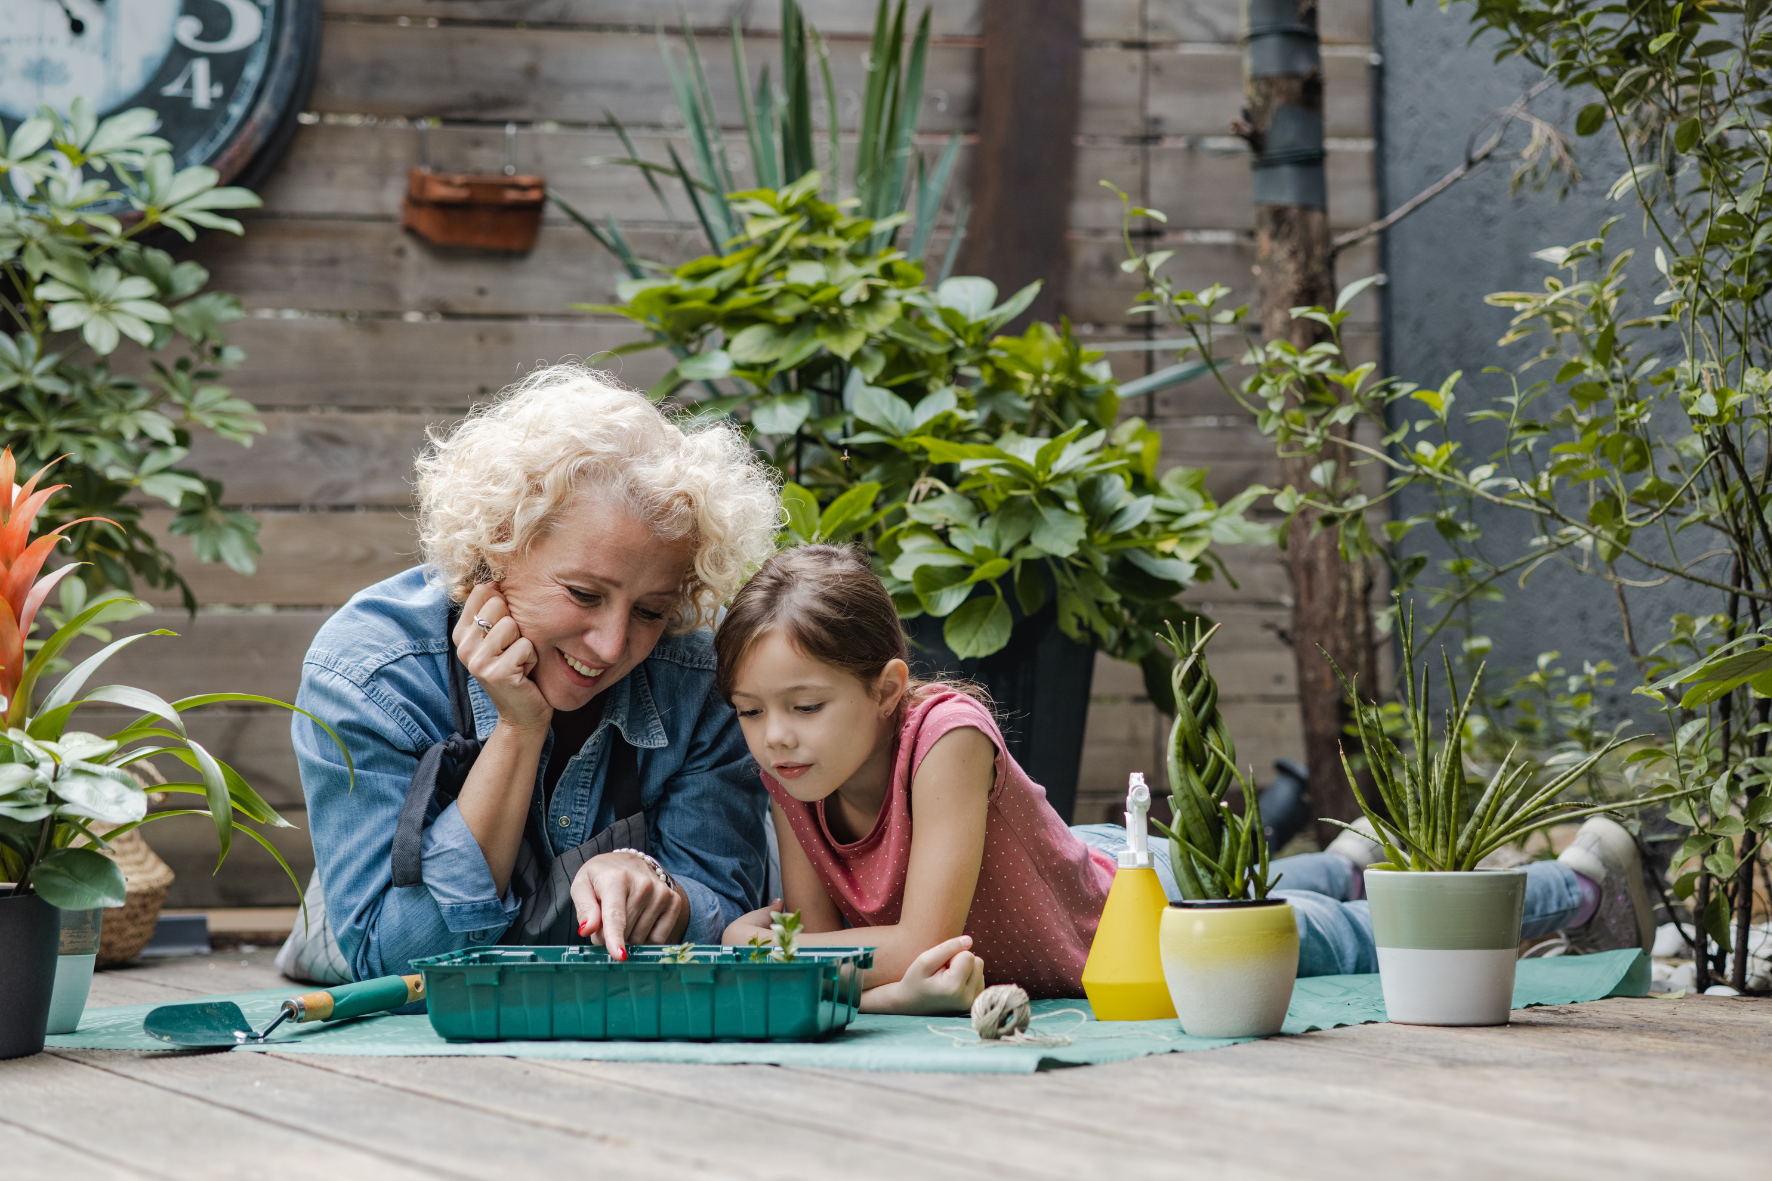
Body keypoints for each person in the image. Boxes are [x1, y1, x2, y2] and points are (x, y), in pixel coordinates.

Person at [711, 545, 1656, 1012]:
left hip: (1143, 933)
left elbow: (911, 939)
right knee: (1278, 875)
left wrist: (804, 963)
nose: (776, 738)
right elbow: (824, 944)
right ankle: (1347, 856)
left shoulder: (944, 734)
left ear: (885, 688)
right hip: (1083, 866)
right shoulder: (794, 775)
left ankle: (1578, 884)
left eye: (803, 704)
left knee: (1358, 937)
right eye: (751, 711)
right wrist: (827, 963)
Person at [293, 364, 780, 982]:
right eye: (582, 593)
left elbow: (730, 916)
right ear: (498, 544)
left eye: (652, 610)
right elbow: (395, 961)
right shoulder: (369, 672)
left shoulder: (697, 677)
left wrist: (661, 892)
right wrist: (517, 732)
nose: (609, 646)